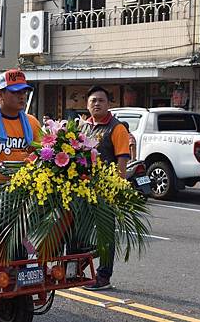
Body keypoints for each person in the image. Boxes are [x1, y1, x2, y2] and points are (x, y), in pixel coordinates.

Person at [80, 86, 130, 291]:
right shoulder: (84, 127)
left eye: (101, 100)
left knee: (105, 234)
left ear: (109, 104)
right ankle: (78, 267)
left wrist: (116, 189)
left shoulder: (117, 128)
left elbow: (122, 160)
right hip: (83, 189)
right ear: (87, 104)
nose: (97, 104)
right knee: (78, 231)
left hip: (105, 190)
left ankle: (103, 276)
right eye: (93, 100)